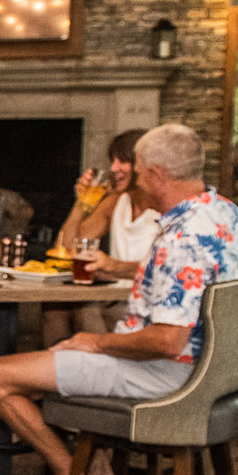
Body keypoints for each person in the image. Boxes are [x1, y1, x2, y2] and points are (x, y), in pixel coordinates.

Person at [0, 124, 238, 475]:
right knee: (49, 363)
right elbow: (183, 278)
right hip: (216, 373)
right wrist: (118, 271)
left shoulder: (182, 238)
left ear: (157, 174)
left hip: (168, 374)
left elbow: (166, 342)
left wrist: (94, 342)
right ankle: (97, 468)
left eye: (139, 170)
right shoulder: (225, 213)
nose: (135, 180)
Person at [44, 128, 160, 343]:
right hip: (111, 295)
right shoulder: (116, 201)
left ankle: (98, 357)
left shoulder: (163, 205)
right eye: (112, 160)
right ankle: (62, 361)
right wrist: (82, 203)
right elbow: (67, 247)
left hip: (146, 296)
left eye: (122, 161)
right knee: (54, 306)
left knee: (86, 308)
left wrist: (112, 266)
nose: (113, 168)